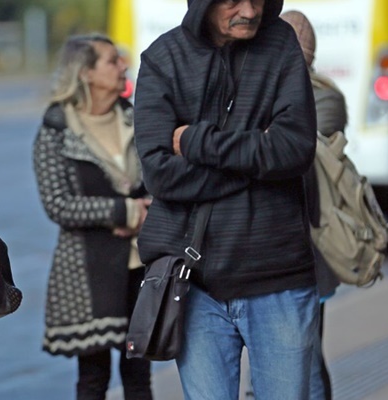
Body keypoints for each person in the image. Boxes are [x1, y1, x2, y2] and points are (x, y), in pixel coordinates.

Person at [133, 1, 320, 399]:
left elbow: (295, 150)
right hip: (194, 285)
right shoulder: (162, 59)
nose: (250, 11)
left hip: (279, 279)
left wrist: (196, 141)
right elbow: (160, 174)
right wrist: (257, 160)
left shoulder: (281, 45)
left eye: (258, 0)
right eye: (233, 1)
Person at [33, 33, 153, 400]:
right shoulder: (56, 128)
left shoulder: (136, 118)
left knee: (138, 375)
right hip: (88, 271)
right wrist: (124, 210)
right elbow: (58, 204)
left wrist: (148, 208)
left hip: (142, 266)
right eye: (112, 61)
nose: (123, 66)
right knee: (93, 379)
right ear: (85, 72)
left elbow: (162, 178)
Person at [281, 10, 346, 400]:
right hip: (268, 250)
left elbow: (295, 150)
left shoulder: (324, 97)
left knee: (305, 356)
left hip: (310, 246)